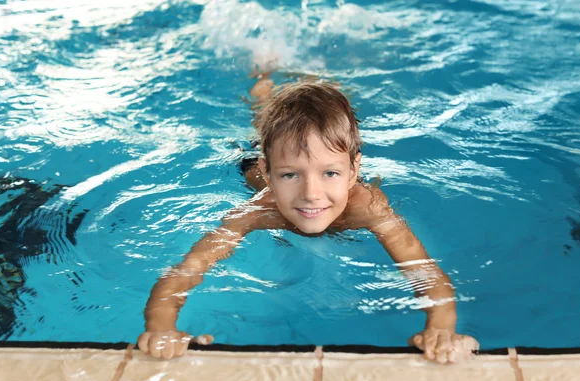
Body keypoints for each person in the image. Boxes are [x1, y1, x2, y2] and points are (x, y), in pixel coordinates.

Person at [137, 72, 479, 363]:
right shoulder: (260, 208)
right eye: (290, 176)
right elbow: (187, 271)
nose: (311, 194)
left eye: (330, 173)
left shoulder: (368, 206)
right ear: (268, 174)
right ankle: (263, 80)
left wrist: (441, 327)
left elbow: (424, 271)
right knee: (263, 117)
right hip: (256, 160)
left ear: (353, 171)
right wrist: (161, 328)